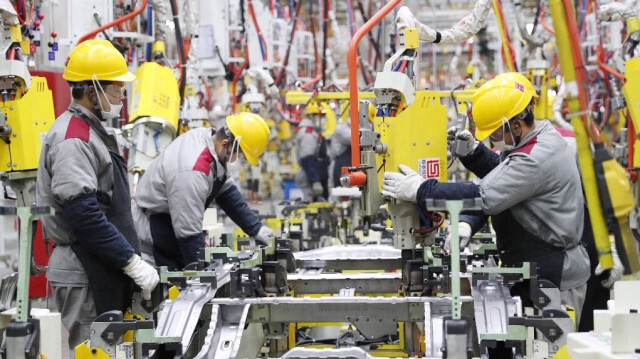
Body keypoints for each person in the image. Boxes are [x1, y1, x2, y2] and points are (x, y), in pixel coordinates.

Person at [381, 75, 591, 325]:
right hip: (539, 267)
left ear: (514, 125)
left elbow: (485, 195)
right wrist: (474, 154)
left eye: (493, 134)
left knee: (551, 349)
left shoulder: (535, 158)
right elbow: (506, 176)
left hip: (554, 279)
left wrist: (421, 190)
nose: (491, 140)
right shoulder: (539, 138)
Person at [36, 39, 159, 354]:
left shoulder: (92, 132)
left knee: (113, 350)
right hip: (82, 269)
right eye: (116, 89)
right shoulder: (72, 140)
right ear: (92, 89)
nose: (121, 97)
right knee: (96, 352)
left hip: (100, 263)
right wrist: (130, 261)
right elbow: (83, 215)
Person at [132, 112, 275, 271]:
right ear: (226, 145)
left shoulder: (209, 142)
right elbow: (188, 231)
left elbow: (226, 191)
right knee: (169, 287)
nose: (240, 162)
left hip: (174, 223)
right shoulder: (193, 169)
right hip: (153, 230)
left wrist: (256, 228)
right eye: (241, 157)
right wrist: (201, 277)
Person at [295, 103, 330, 201]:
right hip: (309, 177)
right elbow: (307, 159)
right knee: (311, 206)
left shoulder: (314, 131)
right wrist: (315, 181)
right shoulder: (308, 134)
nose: (323, 119)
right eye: (320, 116)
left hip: (315, 175)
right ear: (310, 116)